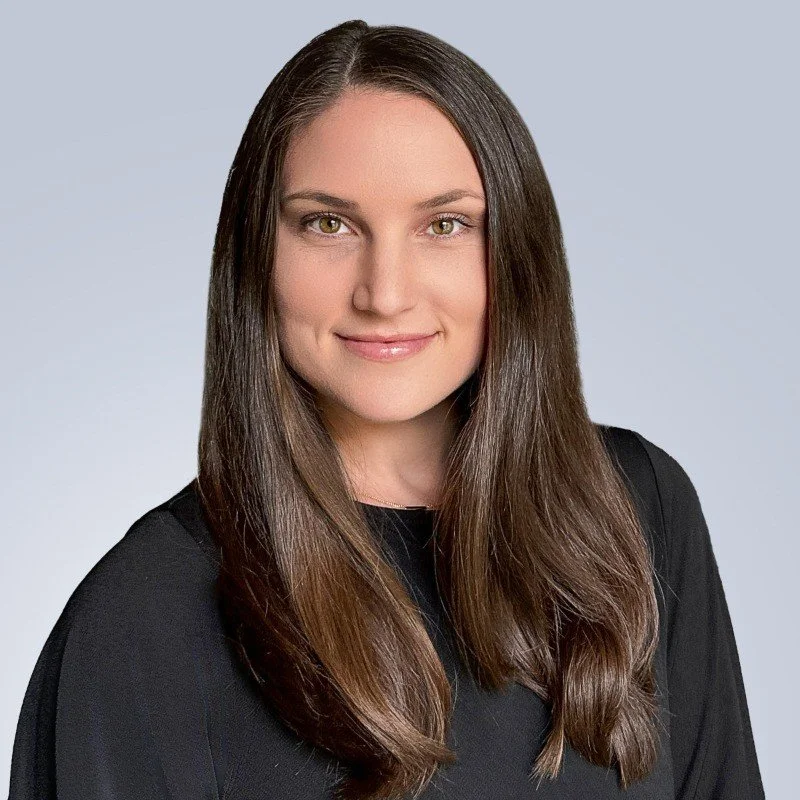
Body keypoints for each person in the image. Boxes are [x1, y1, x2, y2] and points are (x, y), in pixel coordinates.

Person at [8, 19, 765, 800]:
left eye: (445, 225)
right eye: (328, 224)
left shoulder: (636, 508)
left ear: (513, 250)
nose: (386, 292)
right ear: (257, 254)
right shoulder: (141, 617)